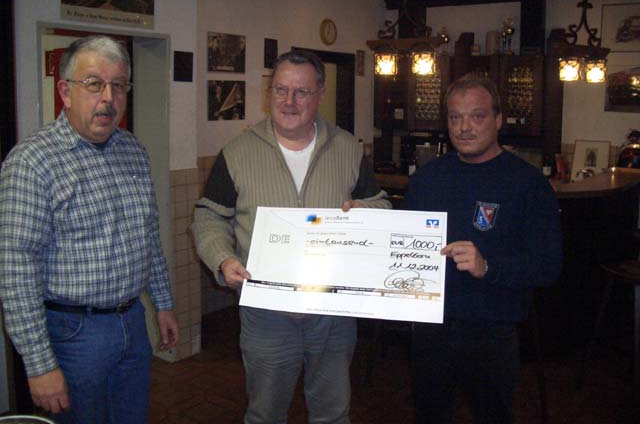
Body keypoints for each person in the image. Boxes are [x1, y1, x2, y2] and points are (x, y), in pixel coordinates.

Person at [191, 49, 390, 424]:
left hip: (333, 312)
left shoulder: (348, 149)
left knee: (333, 413)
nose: (289, 101)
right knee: (265, 414)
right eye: (281, 90)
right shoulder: (237, 152)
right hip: (266, 313)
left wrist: (365, 213)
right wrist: (223, 258)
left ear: (320, 94)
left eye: (301, 92)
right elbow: (208, 216)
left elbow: (380, 203)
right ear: (270, 92)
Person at [0, 35, 179, 423]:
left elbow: (148, 235)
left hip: (132, 321)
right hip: (73, 334)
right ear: (66, 92)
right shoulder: (32, 162)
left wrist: (163, 303)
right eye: (94, 84)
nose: (108, 98)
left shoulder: (133, 150)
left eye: (119, 85)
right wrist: (39, 364)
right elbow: (16, 270)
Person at [405, 75, 562, 424]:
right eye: (455, 117)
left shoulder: (529, 184)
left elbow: (548, 265)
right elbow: (400, 245)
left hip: (492, 328)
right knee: (430, 415)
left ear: (498, 119)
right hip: (431, 327)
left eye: (476, 116)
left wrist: (488, 266)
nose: (464, 127)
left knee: (493, 415)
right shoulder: (426, 180)